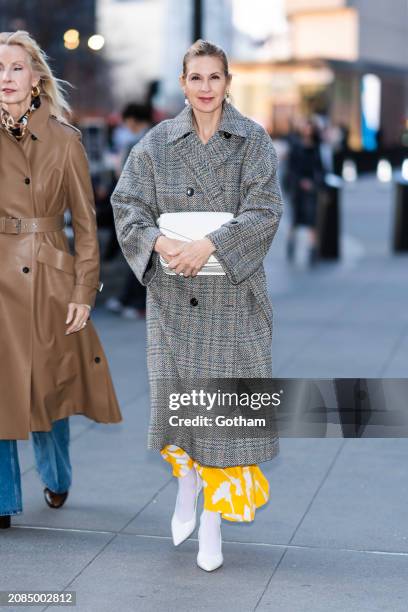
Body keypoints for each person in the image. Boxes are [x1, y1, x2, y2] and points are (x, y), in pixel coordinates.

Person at [111, 39, 283, 571]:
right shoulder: (156, 144)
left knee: (226, 416)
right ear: (183, 83)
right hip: (173, 298)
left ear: (227, 82)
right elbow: (127, 205)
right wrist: (164, 245)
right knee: (179, 401)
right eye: (196, 78)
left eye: (214, 78)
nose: (205, 88)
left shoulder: (252, 140)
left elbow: (265, 210)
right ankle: (186, 480)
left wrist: (209, 244)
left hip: (233, 295)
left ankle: (213, 520)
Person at [0, 31, 122, 530]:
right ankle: (4, 499)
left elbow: (86, 227)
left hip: (50, 276)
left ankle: (56, 475)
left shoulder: (65, 140)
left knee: (48, 389)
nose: (5, 79)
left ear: (35, 79)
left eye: (14, 69)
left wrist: (83, 291)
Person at [105, 103, 152, 318]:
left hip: (144, 209)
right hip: (141, 208)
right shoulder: (150, 138)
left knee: (142, 257)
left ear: (132, 120)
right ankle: (128, 301)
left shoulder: (143, 141)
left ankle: (135, 303)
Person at [286, 117, 324, 266]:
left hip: (311, 189)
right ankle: (291, 244)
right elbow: (291, 169)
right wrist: (299, 182)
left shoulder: (317, 148)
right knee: (296, 219)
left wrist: (313, 182)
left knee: (311, 219)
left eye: (310, 128)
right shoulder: (296, 146)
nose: (308, 131)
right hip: (297, 190)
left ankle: (313, 249)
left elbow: (320, 168)